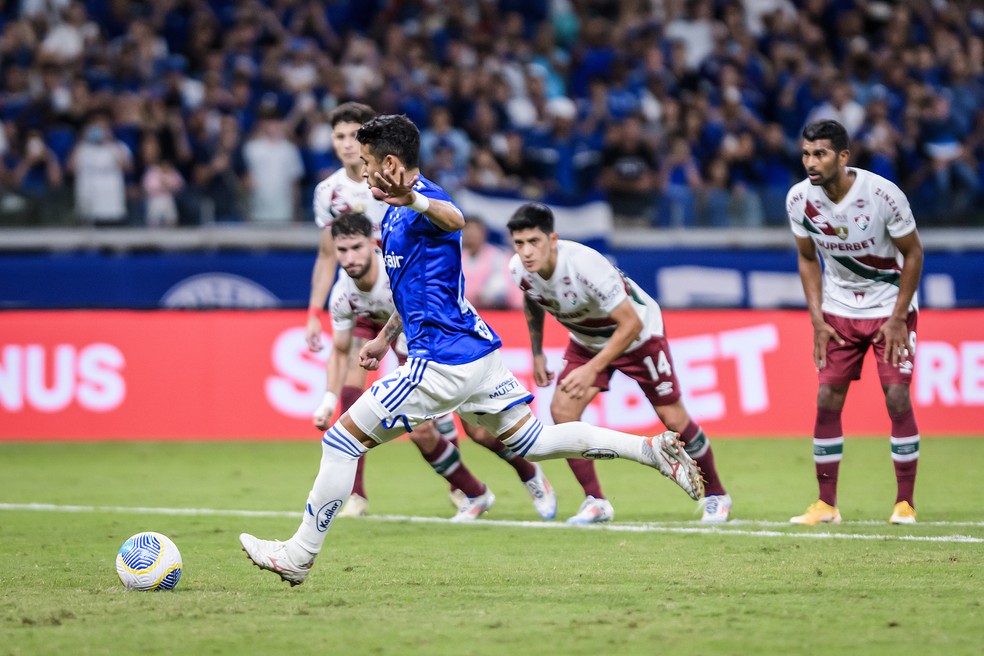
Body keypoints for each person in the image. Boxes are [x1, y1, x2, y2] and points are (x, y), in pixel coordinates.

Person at [239, 114, 703, 586]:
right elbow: (413, 287)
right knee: (535, 442)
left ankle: (298, 555)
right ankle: (651, 451)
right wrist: (383, 337)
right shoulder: (394, 210)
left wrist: (414, 197)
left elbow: (454, 219)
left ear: (392, 164)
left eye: (367, 163)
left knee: (340, 441)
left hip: (441, 360)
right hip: (474, 353)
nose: (361, 171)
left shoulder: (426, 201)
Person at [317, 211, 557, 521]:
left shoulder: (394, 275)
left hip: (450, 340)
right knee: (421, 433)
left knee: (479, 432)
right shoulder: (342, 295)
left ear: (374, 246)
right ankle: (473, 493)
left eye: (356, 247)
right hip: (410, 344)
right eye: (342, 250)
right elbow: (340, 351)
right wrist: (327, 399)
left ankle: (530, 474)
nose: (349, 257)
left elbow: (424, 307)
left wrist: (384, 343)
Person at [507, 202, 732, 524]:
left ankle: (717, 495)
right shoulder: (518, 269)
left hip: (639, 336)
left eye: (534, 242)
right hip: (587, 338)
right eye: (519, 244)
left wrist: (592, 368)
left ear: (552, 239)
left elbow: (630, 324)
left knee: (673, 417)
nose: (527, 252)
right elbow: (533, 299)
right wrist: (537, 352)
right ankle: (596, 502)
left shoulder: (585, 266)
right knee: (563, 412)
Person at [786, 119, 924, 526]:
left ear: (843, 157)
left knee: (896, 398)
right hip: (839, 311)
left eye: (821, 154)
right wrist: (817, 319)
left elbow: (913, 254)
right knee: (827, 398)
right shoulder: (798, 200)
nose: (811, 162)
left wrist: (899, 317)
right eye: (807, 153)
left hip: (889, 309)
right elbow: (808, 258)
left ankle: (905, 504)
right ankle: (826, 505)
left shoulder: (882, 195)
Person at [460, 216, 523, 311]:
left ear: (483, 233)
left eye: (475, 230)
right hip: (460, 309)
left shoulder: (496, 256)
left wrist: (483, 294)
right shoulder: (456, 255)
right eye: (468, 230)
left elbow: (500, 284)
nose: (471, 234)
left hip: (488, 310)